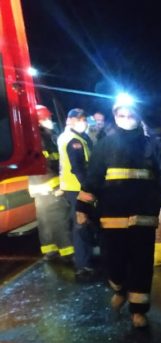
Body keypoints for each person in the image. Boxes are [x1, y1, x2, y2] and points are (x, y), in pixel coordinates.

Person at [75, 102, 161, 328]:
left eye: (130, 114)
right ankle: (120, 289)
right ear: (115, 117)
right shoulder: (105, 145)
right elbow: (93, 177)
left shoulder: (153, 146)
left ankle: (138, 311)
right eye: (121, 115)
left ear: (138, 116)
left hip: (143, 216)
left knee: (141, 265)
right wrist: (82, 207)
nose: (126, 118)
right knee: (113, 263)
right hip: (111, 216)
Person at [29, 105, 73, 263]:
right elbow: (51, 161)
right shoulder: (43, 139)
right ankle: (67, 251)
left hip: (38, 187)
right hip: (50, 184)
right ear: (39, 121)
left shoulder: (34, 137)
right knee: (59, 219)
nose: (50, 121)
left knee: (45, 220)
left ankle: (50, 250)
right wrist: (61, 182)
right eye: (47, 118)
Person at [57, 108, 94, 279]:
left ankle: (85, 260)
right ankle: (83, 265)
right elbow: (77, 167)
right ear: (70, 120)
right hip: (77, 188)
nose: (83, 121)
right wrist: (87, 188)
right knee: (81, 225)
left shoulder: (74, 136)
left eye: (84, 118)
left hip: (73, 187)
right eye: (80, 119)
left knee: (82, 223)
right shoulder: (73, 140)